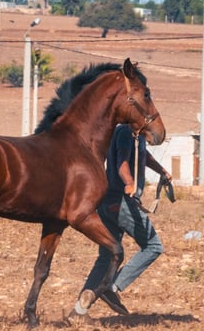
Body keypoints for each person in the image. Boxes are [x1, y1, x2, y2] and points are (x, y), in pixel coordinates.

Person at [70, 123, 172, 319]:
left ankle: (79, 311)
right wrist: (129, 182)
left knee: (106, 256)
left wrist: (161, 171)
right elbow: (122, 163)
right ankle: (112, 286)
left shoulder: (136, 135)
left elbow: (143, 157)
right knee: (153, 246)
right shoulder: (126, 133)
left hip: (107, 203)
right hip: (121, 201)